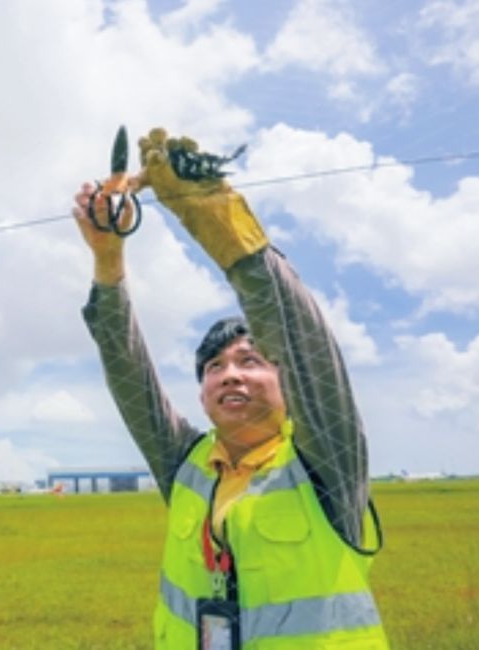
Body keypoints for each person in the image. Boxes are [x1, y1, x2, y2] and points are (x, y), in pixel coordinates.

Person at [72, 128, 389, 649]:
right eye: (214, 367)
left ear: (285, 378)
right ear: (202, 394)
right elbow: (129, 374)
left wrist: (212, 214)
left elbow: (301, 340)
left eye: (250, 360)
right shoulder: (186, 465)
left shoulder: (325, 460)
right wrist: (108, 259)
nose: (231, 374)